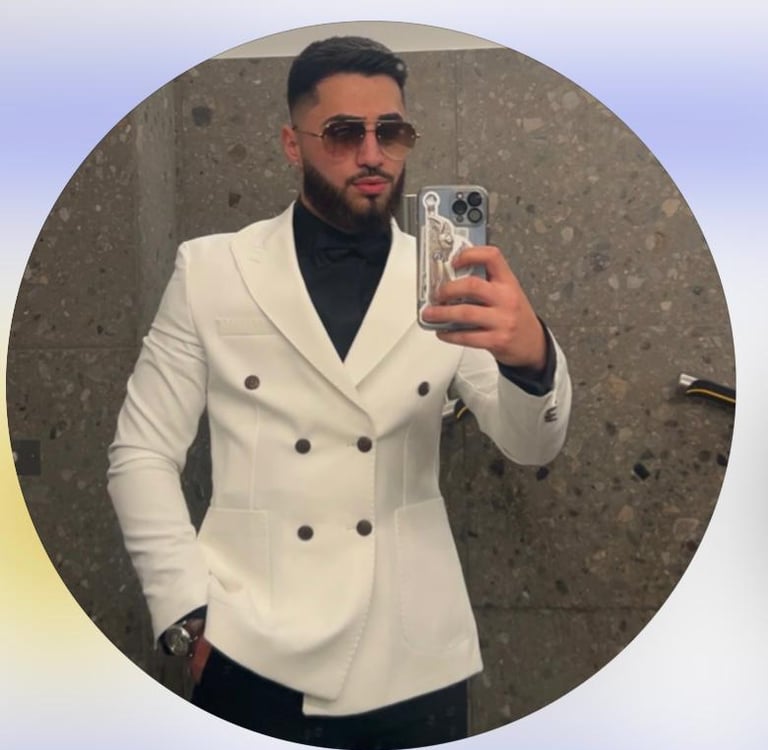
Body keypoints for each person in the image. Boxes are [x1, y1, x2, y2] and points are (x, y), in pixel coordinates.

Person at [107, 35, 572, 749]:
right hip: (251, 645)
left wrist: (531, 358)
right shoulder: (213, 270)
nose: (373, 153)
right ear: (292, 144)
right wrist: (185, 613)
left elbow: (530, 443)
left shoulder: (449, 279)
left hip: (413, 653)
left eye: (393, 131)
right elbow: (141, 452)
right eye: (345, 132)